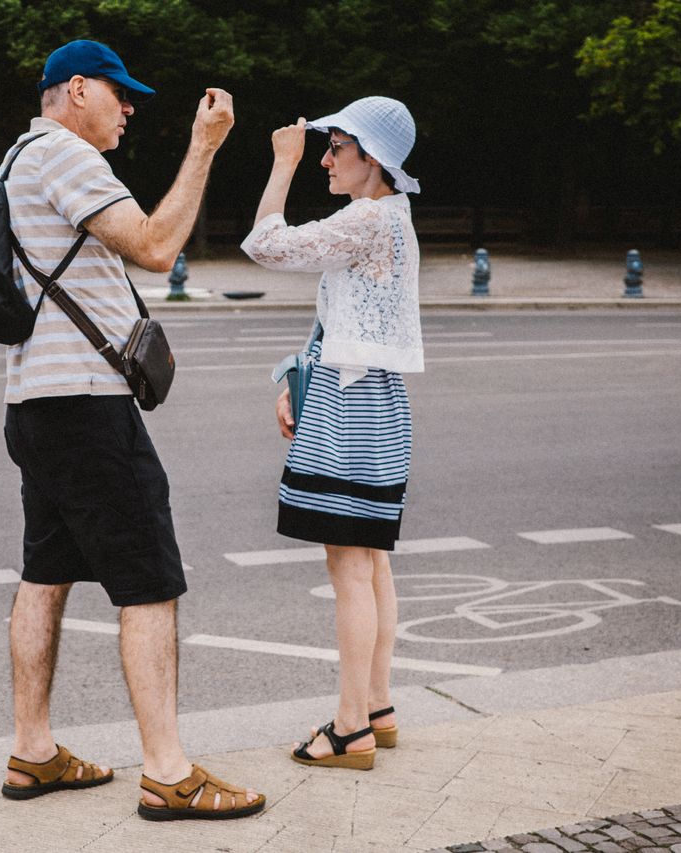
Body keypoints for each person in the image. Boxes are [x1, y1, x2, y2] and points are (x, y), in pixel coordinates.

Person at [0, 39, 264, 820]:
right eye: (120, 93)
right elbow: (154, 245)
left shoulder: (16, 157)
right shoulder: (68, 156)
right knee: (148, 578)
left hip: (34, 402)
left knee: (44, 574)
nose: (130, 108)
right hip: (84, 406)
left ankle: (34, 751)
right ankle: (169, 771)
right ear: (76, 90)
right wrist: (202, 147)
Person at [241, 97, 423, 770]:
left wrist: (281, 163)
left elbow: (265, 244)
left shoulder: (368, 216)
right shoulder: (392, 216)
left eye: (335, 147)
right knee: (370, 560)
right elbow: (346, 318)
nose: (323, 157)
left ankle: (350, 729)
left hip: (349, 404)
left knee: (348, 564)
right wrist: (295, 373)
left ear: (369, 158)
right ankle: (376, 703)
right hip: (375, 397)